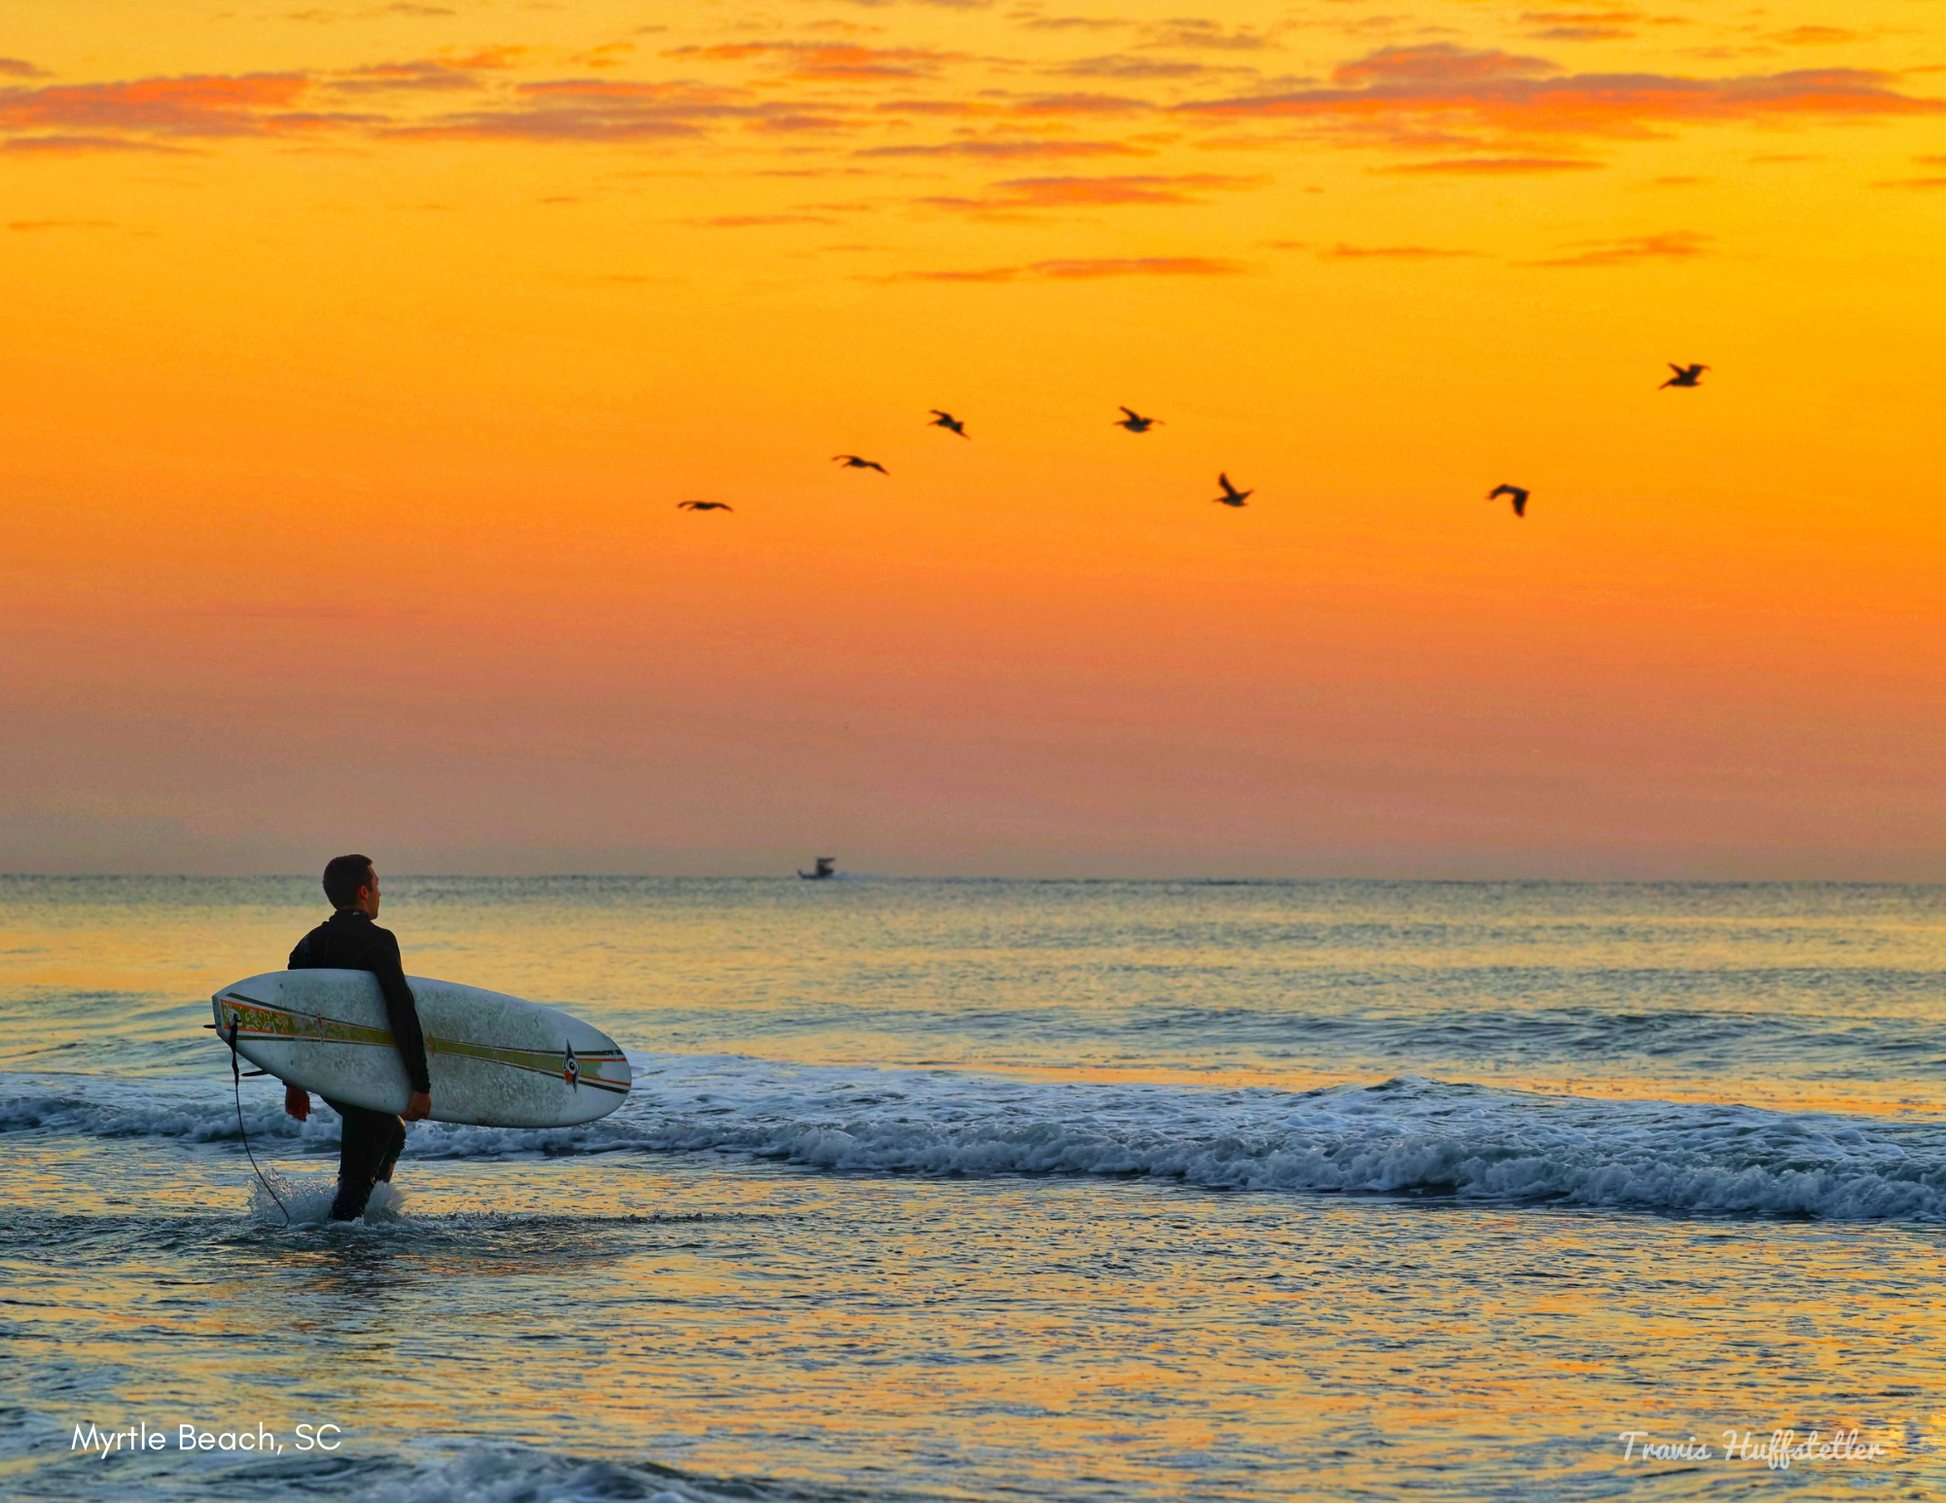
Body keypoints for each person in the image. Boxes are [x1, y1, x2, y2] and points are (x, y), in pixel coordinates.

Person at [283, 854, 432, 1221]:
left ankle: (366, 1224)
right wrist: (421, 1084)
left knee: (391, 1134)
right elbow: (401, 1010)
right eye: (377, 886)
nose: (381, 893)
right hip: (359, 1070)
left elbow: (289, 1018)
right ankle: (346, 1240)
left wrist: (294, 1080)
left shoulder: (307, 945)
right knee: (375, 1136)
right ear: (364, 891)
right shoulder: (377, 940)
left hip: (323, 1072)